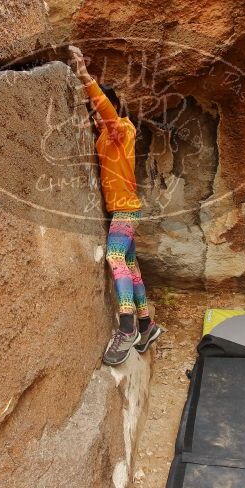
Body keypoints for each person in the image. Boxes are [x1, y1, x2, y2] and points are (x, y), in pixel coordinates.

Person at [68, 46, 164, 365]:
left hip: (126, 211)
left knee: (114, 256)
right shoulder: (103, 138)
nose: (95, 117)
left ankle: (127, 328)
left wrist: (84, 76)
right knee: (131, 265)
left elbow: (106, 111)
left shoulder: (123, 129)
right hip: (121, 211)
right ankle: (147, 325)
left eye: (97, 111)